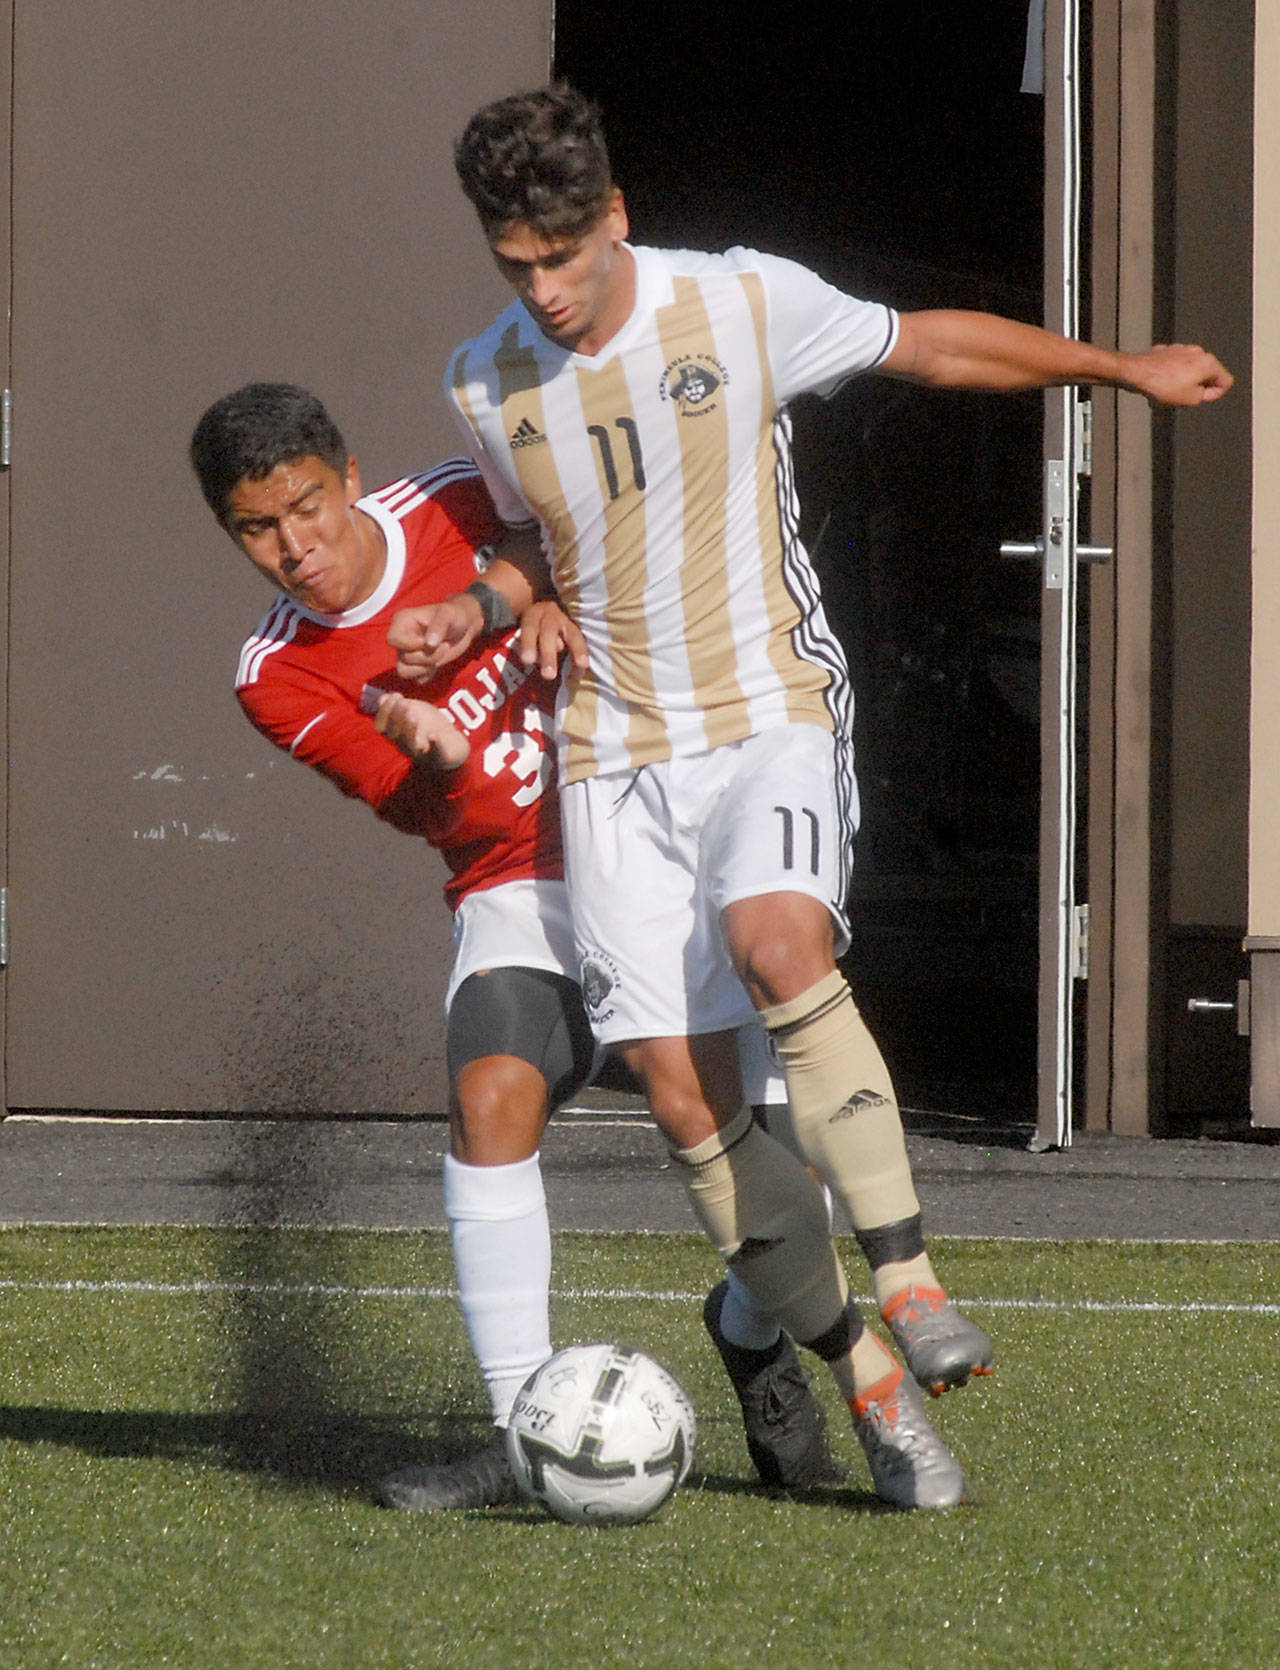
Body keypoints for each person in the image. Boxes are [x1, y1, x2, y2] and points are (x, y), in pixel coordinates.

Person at [389, 84, 1233, 1511]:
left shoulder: (739, 302)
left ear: (616, 219)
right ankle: (874, 1387)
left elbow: (929, 346)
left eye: (562, 259)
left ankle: (909, 1276)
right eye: (512, 265)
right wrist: (486, 604)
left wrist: (1118, 368)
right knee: (683, 1103)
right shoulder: (485, 379)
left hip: (766, 708)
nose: (542, 290)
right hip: (612, 757)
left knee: (785, 942)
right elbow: (541, 542)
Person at [188, 381, 839, 1512]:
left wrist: (530, 597)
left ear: (348, 478)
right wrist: (432, 755)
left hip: (645, 824)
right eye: (256, 527)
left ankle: (747, 1333)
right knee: (489, 1091)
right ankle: (517, 1430)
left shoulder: (453, 495)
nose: (293, 548)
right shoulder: (274, 672)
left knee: (786, 1161)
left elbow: (581, 542)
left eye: (305, 508)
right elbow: (418, 808)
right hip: (515, 883)